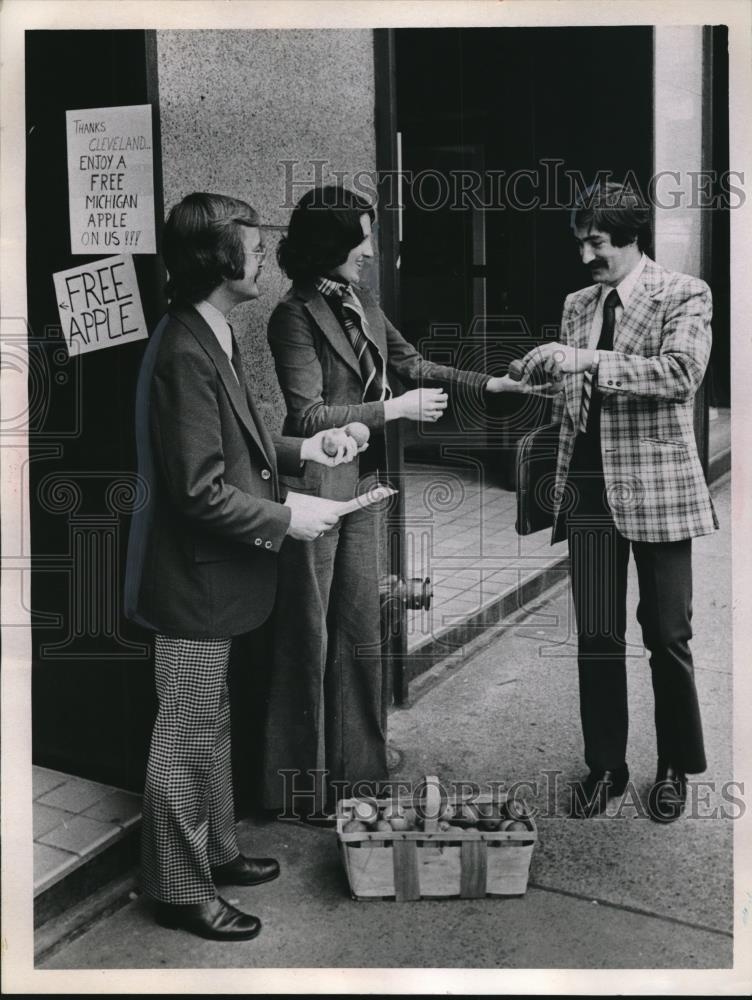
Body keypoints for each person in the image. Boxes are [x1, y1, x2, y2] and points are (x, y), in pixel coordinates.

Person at [262, 184, 547, 817]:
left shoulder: (360, 299)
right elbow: (307, 416)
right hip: (316, 491)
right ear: (330, 245)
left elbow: (411, 362)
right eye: (360, 236)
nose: (370, 248)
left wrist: (489, 382)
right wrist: (392, 408)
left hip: (365, 486)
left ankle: (359, 775)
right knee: (311, 638)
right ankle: (298, 789)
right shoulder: (294, 315)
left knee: (361, 632)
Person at [124, 192, 359, 941]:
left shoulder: (208, 330)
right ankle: (179, 885)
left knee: (211, 723)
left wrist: (305, 451)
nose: (264, 256)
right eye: (253, 246)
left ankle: (217, 852)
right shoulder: (187, 348)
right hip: (191, 580)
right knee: (186, 735)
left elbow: (243, 439)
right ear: (220, 260)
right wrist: (289, 517)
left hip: (213, 581)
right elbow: (199, 490)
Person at [519, 182, 718, 821]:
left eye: (597, 242)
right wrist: (545, 374)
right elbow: (577, 396)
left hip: (657, 491)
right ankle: (605, 765)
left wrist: (584, 358)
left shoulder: (684, 293)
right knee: (599, 636)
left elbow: (680, 374)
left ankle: (674, 767)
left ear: (632, 237)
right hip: (588, 491)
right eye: (579, 242)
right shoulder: (578, 302)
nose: (585, 256)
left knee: (668, 636)